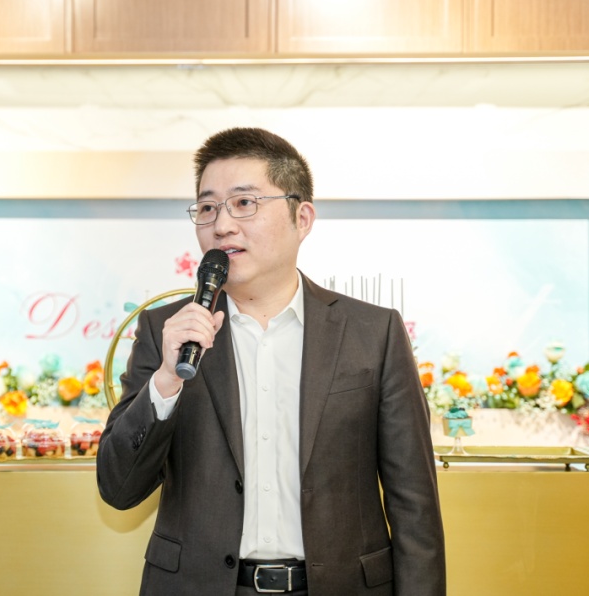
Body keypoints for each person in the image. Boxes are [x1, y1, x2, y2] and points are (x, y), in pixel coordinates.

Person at [97, 128, 445, 596]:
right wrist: (165, 382)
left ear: (302, 217)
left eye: (244, 203)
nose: (222, 225)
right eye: (207, 208)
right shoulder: (168, 331)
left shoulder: (372, 332)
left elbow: (414, 505)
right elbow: (119, 489)